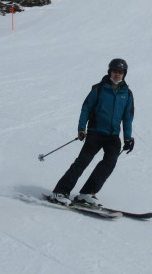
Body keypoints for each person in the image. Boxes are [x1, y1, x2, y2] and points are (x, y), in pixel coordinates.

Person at [51, 58, 135, 206]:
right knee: (82, 162)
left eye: (120, 72)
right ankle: (60, 192)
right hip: (96, 132)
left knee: (109, 163)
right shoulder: (99, 88)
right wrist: (81, 129)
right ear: (110, 72)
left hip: (113, 136)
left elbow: (127, 118)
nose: (117, 74)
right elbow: (86, 108)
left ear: (124, 74)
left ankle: (87, 193)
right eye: (115, 71)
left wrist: (128, 138)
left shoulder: (127, 94)